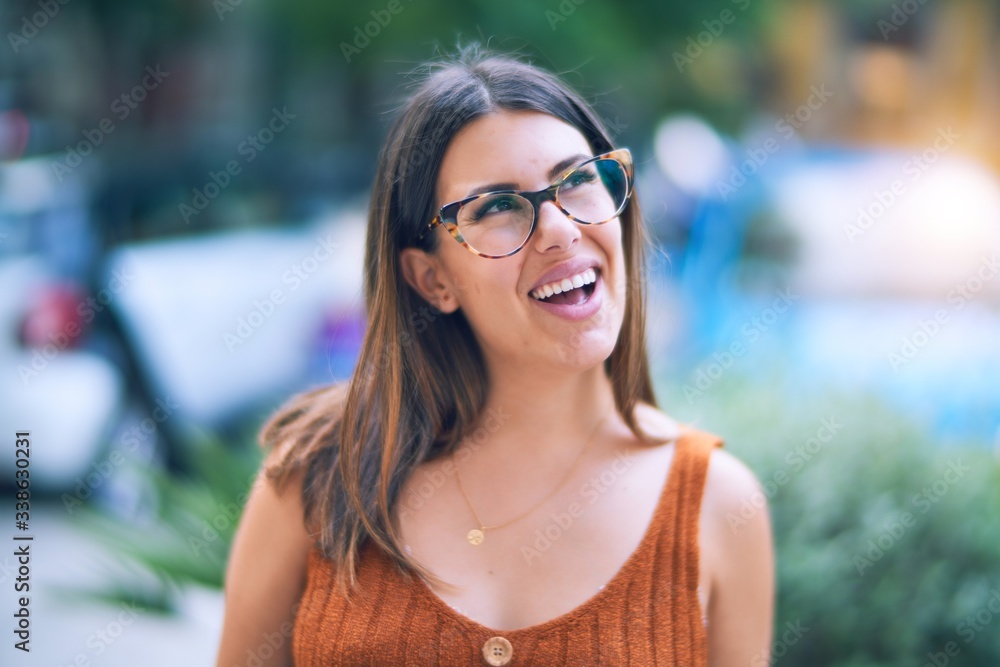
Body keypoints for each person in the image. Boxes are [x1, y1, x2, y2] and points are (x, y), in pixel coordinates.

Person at [215, 44, 774, 667]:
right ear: (432, 279)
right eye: (498, 207)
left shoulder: (720, 506)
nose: (561, 228)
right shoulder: (319, 475)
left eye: (579, 179)